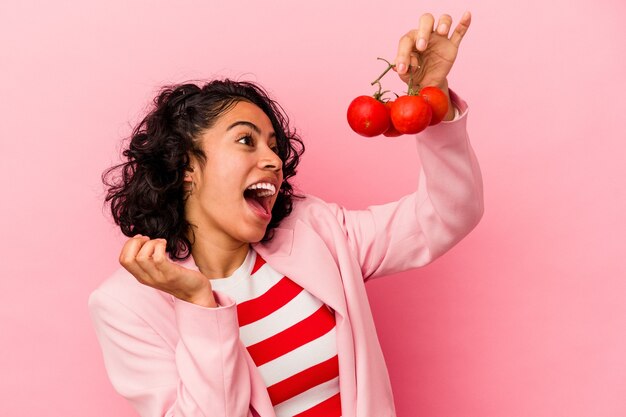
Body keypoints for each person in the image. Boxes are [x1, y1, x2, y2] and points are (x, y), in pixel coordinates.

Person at [89, 11, 483, 417]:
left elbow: (446, 214)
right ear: (186, 166)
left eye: (274, 146)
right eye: (246, 140)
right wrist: (198, 304)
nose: (273, 161)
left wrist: (432, 99)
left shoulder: (318, 231)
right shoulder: (126, 306)